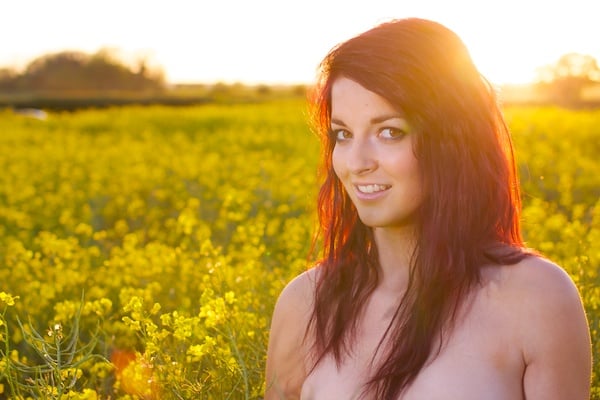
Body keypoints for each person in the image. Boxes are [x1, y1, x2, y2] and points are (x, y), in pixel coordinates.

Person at [265, 17, 591, 400]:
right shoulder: (304, 305)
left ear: (453, 140)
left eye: (390, 132)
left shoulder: (537, 300)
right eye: (343, 134)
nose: (356, 161)